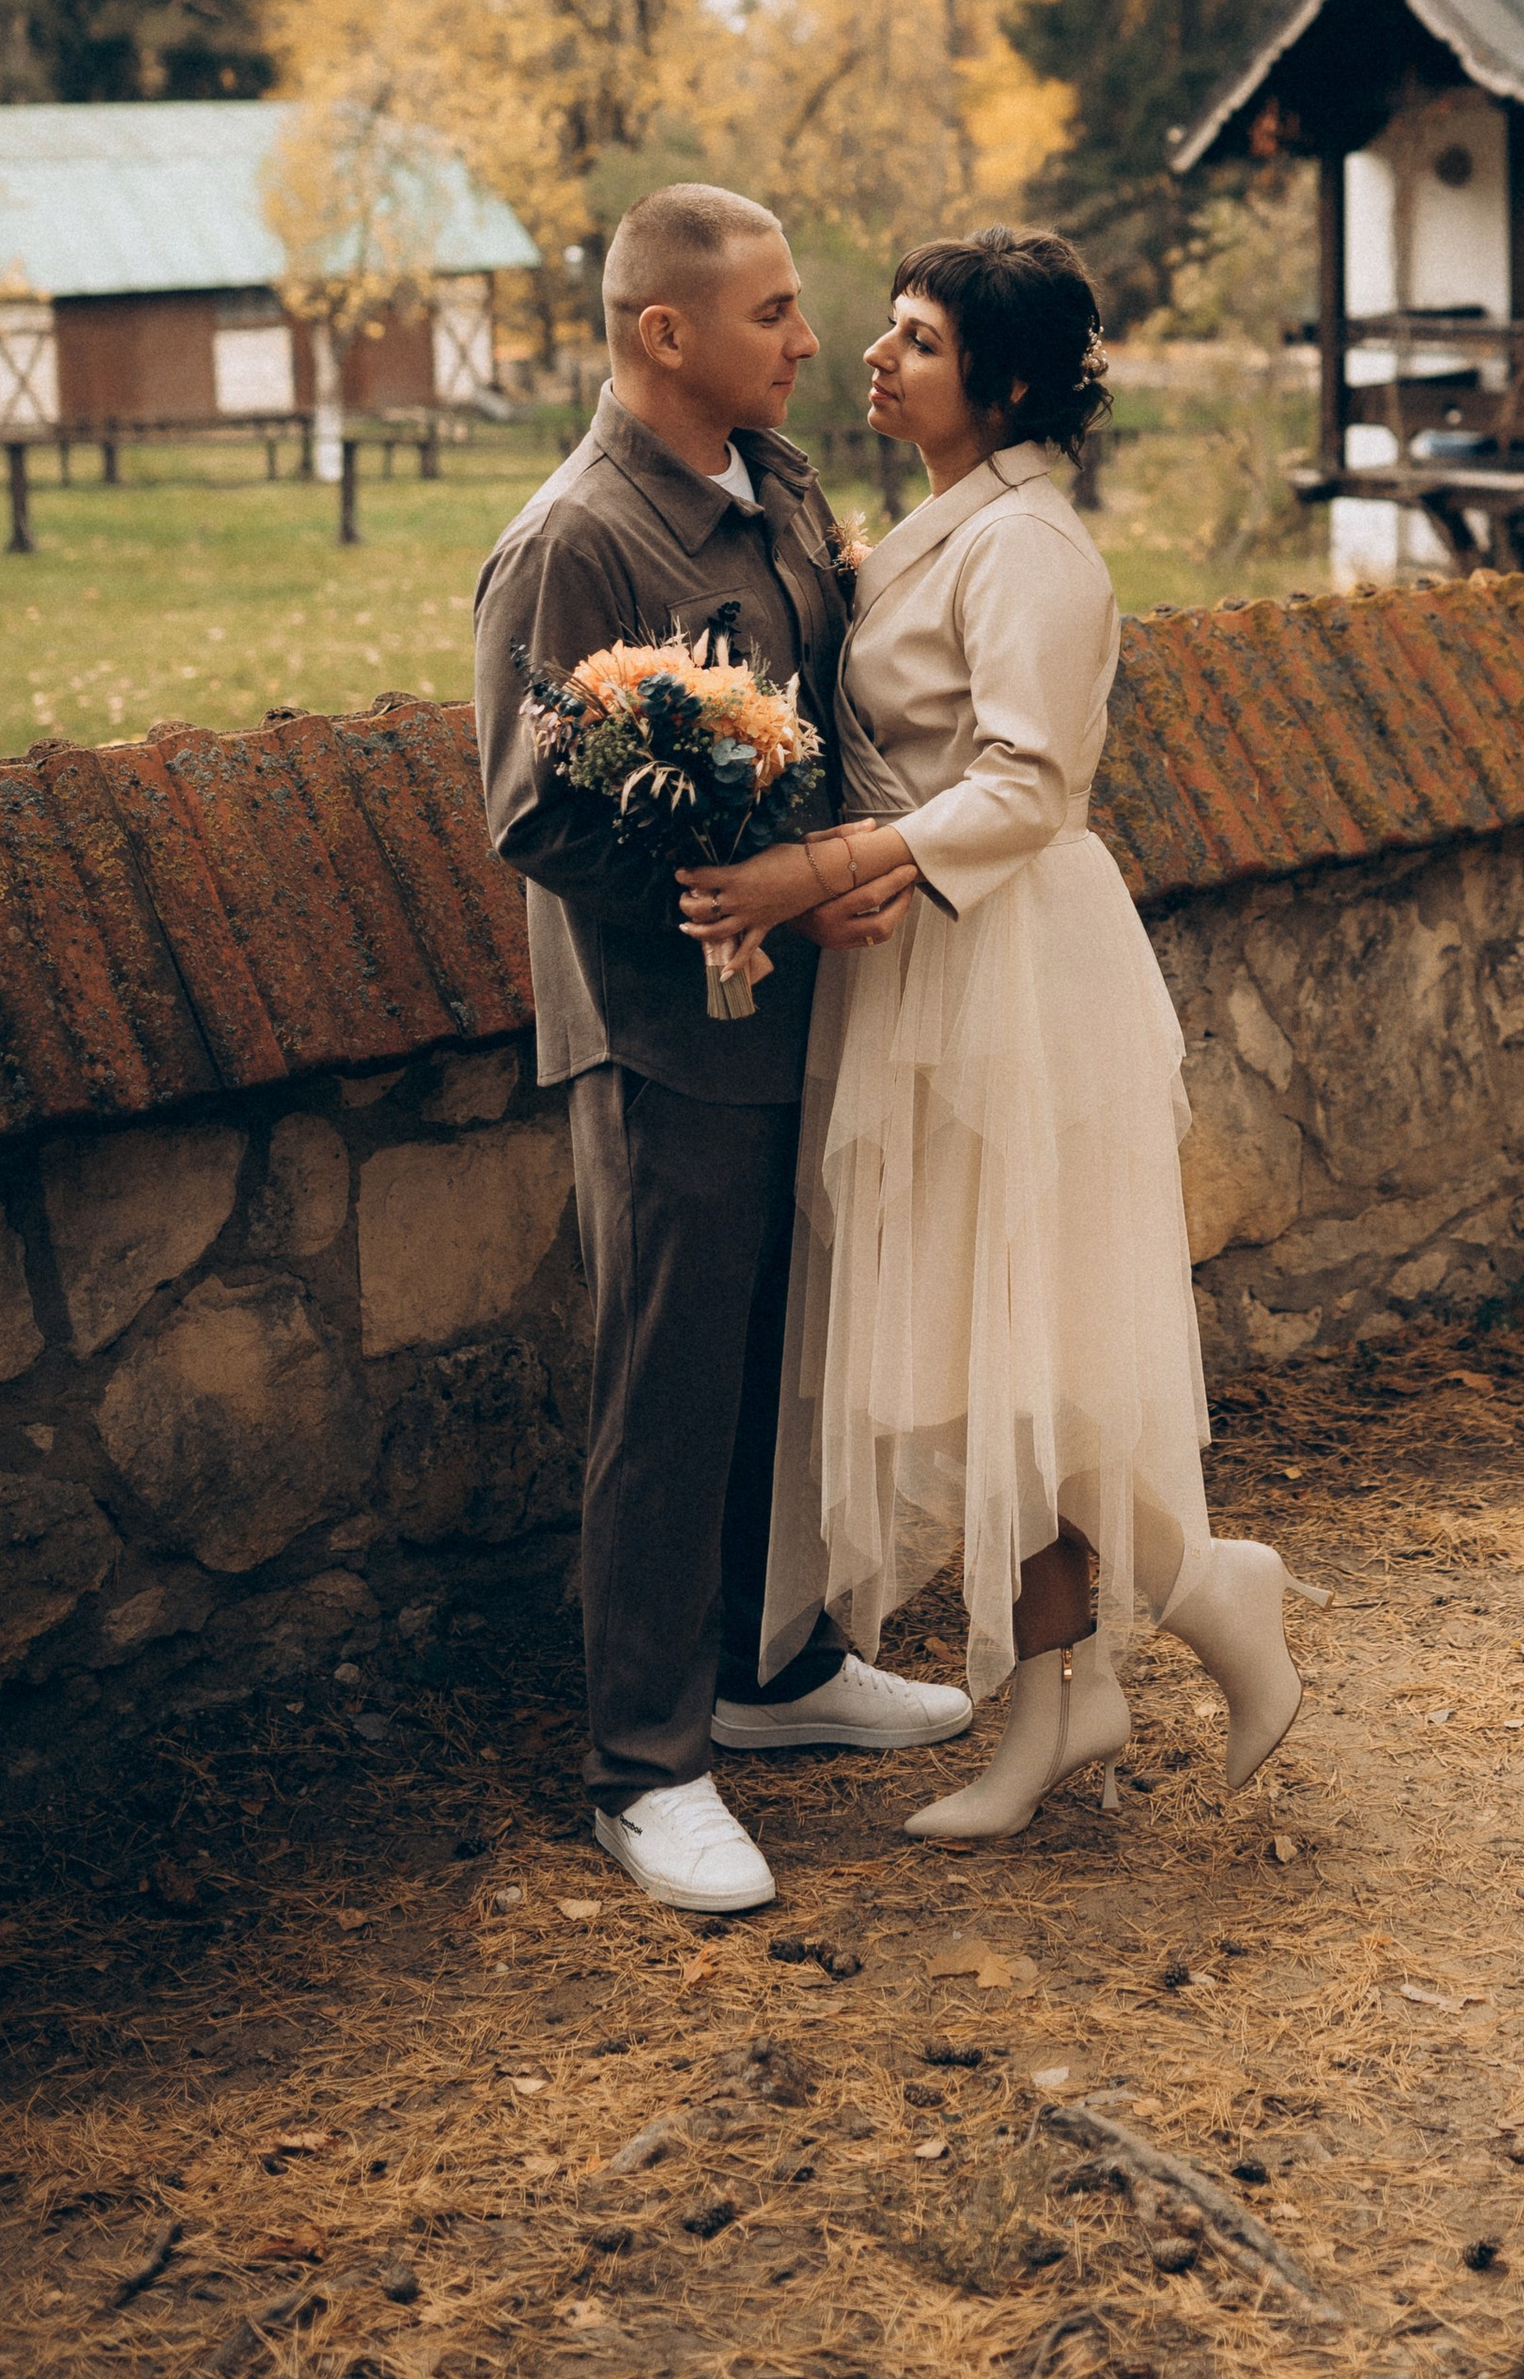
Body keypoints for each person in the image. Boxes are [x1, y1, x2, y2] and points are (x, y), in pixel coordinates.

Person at [678, 225, 1304, 1841]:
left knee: (1028, 1349)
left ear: (1006, 383)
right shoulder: (931, 526)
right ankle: (1079, 1685)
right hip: (921, 963)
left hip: (1011, 962)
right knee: (978, 1361)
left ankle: (1187, 1599)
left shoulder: (1036, 552)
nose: (875, 360)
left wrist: (825, 865)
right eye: (882, 333)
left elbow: (1029, 782)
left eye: (916, 341)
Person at [472, 186, 970, 1920]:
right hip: (668, 1035)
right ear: (660, 333)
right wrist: (740, 888)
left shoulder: (782, 484)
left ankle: (771, 1674)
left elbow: (822, 709)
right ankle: (642, 1770)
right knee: (670, 1392)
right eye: (772, 313)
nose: (810, 340)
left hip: (813, 1016)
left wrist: (835, 863)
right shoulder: (574, 541)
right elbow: (535, 815)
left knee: (790, 1365)